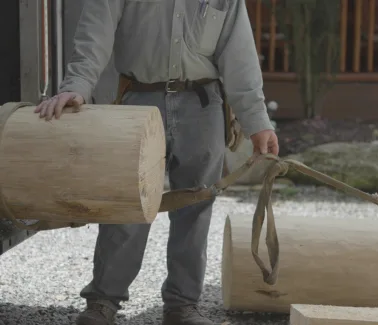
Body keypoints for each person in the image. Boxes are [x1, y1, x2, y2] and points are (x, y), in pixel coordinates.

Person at [34, 0, 279, 324]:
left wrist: (257, 122)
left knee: (196, 206)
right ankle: (103, 301)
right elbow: (95, 31)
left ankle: (182, 305)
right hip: (137, 100)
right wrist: (77, 86)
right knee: (127, 202)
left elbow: (239, 53)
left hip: (204, 105)